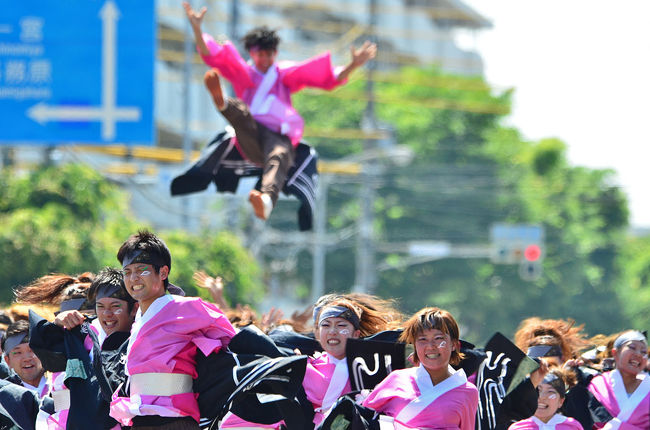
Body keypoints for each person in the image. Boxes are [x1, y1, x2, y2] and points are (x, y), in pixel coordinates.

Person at [184, 1, 376, 220]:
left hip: (276, 135)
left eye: (269, 54)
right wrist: (197, 29)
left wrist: (353, 65)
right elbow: (212, 54)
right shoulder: (242, 73)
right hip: (250, 133)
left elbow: (326, 77)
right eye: (260, 54)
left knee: (280, 155)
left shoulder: (284, 75)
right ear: (251, 53)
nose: (264, 60)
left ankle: (266, 200)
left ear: (275, 53)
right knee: (242, 116)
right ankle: (222, 102)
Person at [109, 230, 237, 429]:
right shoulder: (138, 318)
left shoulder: (185, 307)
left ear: (163, 273)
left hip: (176, 420)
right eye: (127, 272)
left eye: (141, 270)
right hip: (139, 417)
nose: (133, 278)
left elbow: (231, 338)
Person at [362, 307, 478, 430]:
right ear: (414, 345)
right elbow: (363, 418)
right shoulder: (396, 379)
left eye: (438, 338)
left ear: (454, 345)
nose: (430, 346)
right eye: (423, 339)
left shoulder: (468, 392)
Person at [586, 330, 649, 430]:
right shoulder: (597, 385)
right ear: (615, 353)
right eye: (632, 348)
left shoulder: (647, 387)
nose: (638, 354)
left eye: (644, 352)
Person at [508, 368, 582, 430]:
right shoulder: (518, 428)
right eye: (537, 390)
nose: (542, 397)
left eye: (550, 391)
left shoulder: (572, 426)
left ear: (561, 401)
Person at [1, 320, 49, 398]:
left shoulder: (62, 382)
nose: (26, 358)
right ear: (8, 361)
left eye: (32, 350)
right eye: (17, 353)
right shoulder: (4, 395)